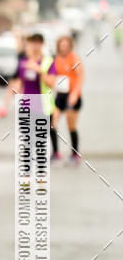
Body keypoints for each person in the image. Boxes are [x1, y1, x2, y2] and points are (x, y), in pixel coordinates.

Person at [45, 35, 84, 165]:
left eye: (66, 45)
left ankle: (75, 154)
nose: (64, 47)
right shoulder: (56, 59)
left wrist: (75, 93)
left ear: (69, 46)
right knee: (52, 122)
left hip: (72, 96)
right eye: (61, 45)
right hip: (60, 95)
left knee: (71, 125)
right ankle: (56, 153)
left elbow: (80, 77)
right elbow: (52, 76)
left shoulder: (74, 57)